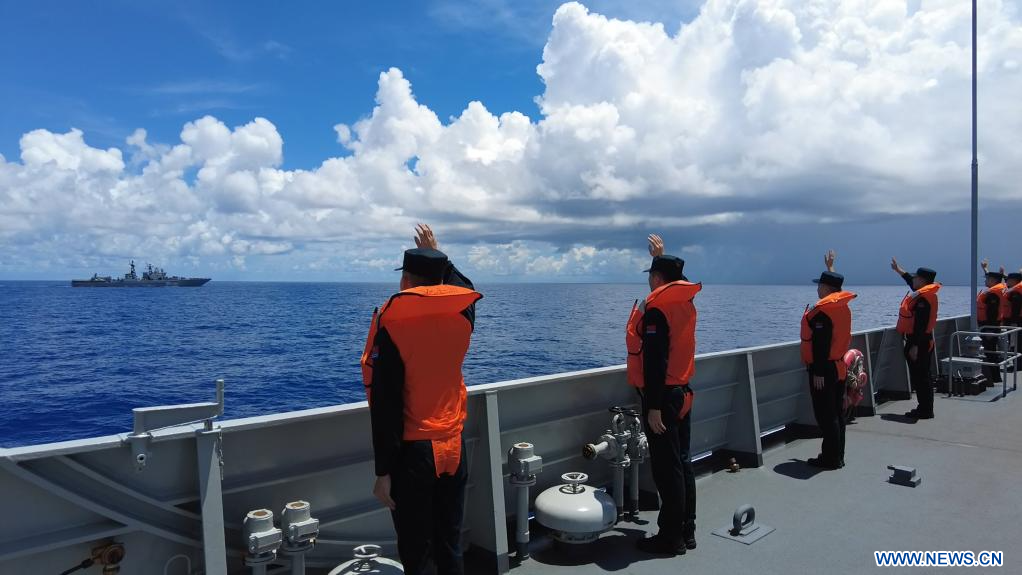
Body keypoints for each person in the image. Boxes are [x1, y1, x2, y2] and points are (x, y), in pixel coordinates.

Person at [361, 224, 482, 575]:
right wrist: (439, 256)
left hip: (415, 453)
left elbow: (386, 405)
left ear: (405, 282)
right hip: (453, 449)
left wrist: (383, 472)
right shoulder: (462, 317)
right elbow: (465, 288)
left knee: (418, 551)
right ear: (441, 281)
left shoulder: (393, 326)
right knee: (449, 541)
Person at [626, 233, 700, 555]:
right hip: (683, 393)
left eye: (651, 275)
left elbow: (656, 363)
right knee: (682, 463)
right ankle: (687, 530)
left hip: (664, 399)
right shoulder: (684, 303)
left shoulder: (657, 310)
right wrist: (662, 258)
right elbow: (676, 280)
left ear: (657, 279)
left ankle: (670, 539)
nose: (649, 281)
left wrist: (653, 406)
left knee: (667, 470)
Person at [800, 250, 856, 469]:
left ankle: (830, 459)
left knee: (826, 415)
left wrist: (818, 372)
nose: (817, 289)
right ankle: (837, 455)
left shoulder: (823, 313)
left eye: (820, 286)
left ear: (826, 289)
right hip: (839, 367)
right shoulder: (842, 307)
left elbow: (821, 345)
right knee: (837, 414)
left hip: (825, 370)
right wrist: (831, 267)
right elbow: (837, 289)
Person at [890, 259, 940, 419]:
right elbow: (910, 280)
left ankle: (925, 410)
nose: (914, 280)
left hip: (920, 343)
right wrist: (898, 270)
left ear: (923, 281)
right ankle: (924, 407)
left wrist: (915, 346)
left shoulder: (923, 300)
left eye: (916, 278)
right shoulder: (924, 294)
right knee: (922, 376)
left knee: (921, 377)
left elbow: (920, 325)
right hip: (923, 341)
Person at [978, 260, 1007, 384]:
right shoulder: (997, 289)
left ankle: (994, 378)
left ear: (993, 281)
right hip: (992, 326)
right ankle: (994, 377)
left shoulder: (992, 295)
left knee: (990, 352)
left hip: (990, 327)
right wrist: (985, 269)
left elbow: (992, 313)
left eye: (987, 279)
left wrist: (990, 329)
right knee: (991, 352)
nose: (985, 280)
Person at [1002, 271, 1022, 371]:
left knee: (1015, 344)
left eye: (1008, 280)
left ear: (1014, 281)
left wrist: (1013, 323)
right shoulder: (1017, 288)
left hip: (1015, 322)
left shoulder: (1016, 292)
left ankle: (1017, 366)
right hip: (1018, 321)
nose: (1006, 282)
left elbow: (1016, 309)